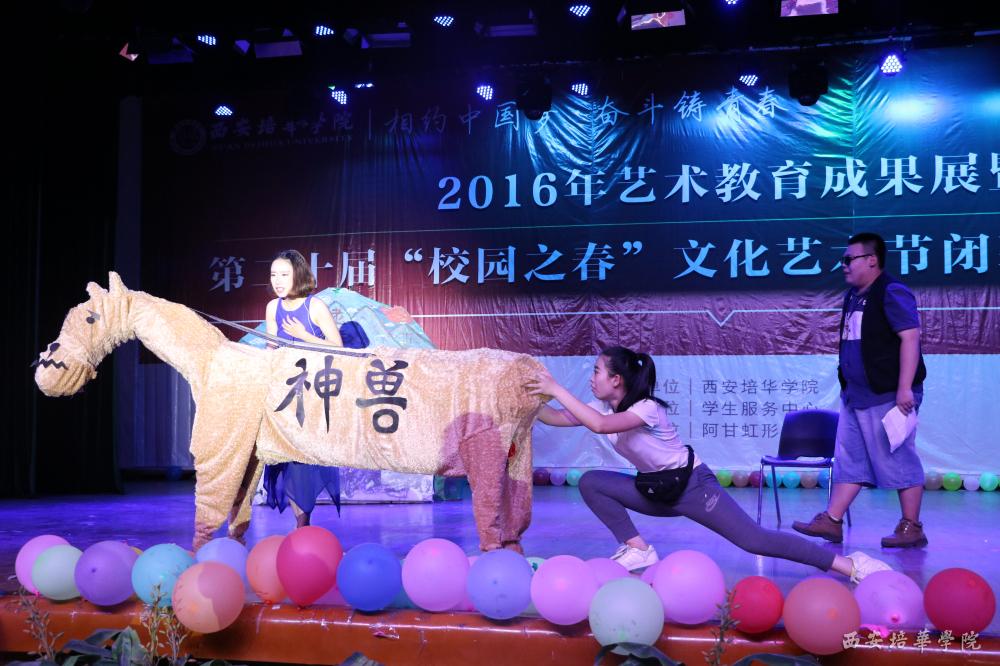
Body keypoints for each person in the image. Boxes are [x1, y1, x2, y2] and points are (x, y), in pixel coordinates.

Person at [527, 346, 891, 582]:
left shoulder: (645, 409)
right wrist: (523, 400)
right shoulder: (605, 408)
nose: (591, 378)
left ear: (616, 379)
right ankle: (637, 548)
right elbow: (557, 417)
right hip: (654, 490)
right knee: (592, 482)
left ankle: (850, 565)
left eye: (596, 372)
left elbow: (599, 426)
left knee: (754, 540)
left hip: (692, 488)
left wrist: (556, 388)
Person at [793, 232, 928, 548]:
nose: (843, 265)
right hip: (856, 395)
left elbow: (910, 338)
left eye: (848, 259)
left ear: (872, 260)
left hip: (887, 394)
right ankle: (832, 521)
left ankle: (912, 527)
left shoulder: (891, 291)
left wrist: (904, 388)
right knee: (849, 460)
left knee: (897, 459)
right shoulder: (853, 296)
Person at [263, 249, 344, 528]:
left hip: (312, 394)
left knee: (304, 461)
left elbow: (338, 347)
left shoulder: (315, 306)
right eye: (273, 275)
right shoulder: (273, 307)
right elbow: (271, 348)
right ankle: (301, 522)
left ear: (298, 275)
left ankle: (303, 522)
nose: (277, 281)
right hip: (284, 393)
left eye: (284, 274)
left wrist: (304, 336)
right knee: (285, 460)